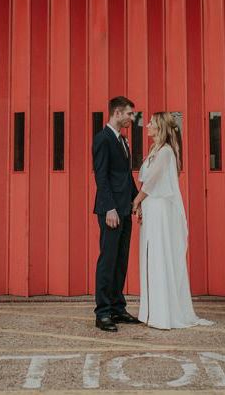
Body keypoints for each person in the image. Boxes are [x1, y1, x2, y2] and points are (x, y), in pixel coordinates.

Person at [132, 112, 213, 329]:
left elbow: (151, 182)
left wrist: (136, 201)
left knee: (158, 255)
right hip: (151, 207)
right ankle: (152, 311)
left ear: (159, 127)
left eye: (151, 122)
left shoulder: (166, 152)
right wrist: (142, 205)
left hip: (159, 210)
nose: (147, 125)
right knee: (149, 255)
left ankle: (163, 313)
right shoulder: (154, 150)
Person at [92, 96, 141, 332]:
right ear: (118, 113)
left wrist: (136, 200)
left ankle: (117, 308)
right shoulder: (102, 139)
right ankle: (102, 313)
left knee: (121, 261)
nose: (132, 118)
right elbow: (101, 177)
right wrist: (109, 207)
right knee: (108, 260)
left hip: (124, 209)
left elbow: (126, 176)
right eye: (130, 114)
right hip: (110, 211)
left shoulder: (123, 141)